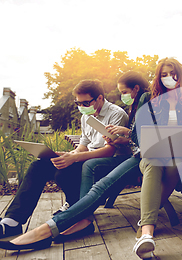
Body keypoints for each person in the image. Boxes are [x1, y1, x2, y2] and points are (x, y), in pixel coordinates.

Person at [0, 71, 150, 250]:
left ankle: (76, 213)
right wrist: (69, 154)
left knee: (66, 170)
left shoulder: (116, 114)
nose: (82, 106)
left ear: (99, 98)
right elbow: (84, 145)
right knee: (39, 166)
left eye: (85, 103)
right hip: (86, 157)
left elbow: (109, 150)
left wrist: (75, 158)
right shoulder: (86, 116)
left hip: (108, 161)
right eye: (78, 103)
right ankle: (12, 220)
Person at [133, 57, 182, 260]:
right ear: (158, 77)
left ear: (180, 76)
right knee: (155, 162)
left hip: (178, 156)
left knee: (176, 166)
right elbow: (137, 133)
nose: (168, 78)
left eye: (172, 74)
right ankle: (147, 233)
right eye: (164, 75)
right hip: (153, 154)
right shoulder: (148, 99)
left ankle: (144, 224)